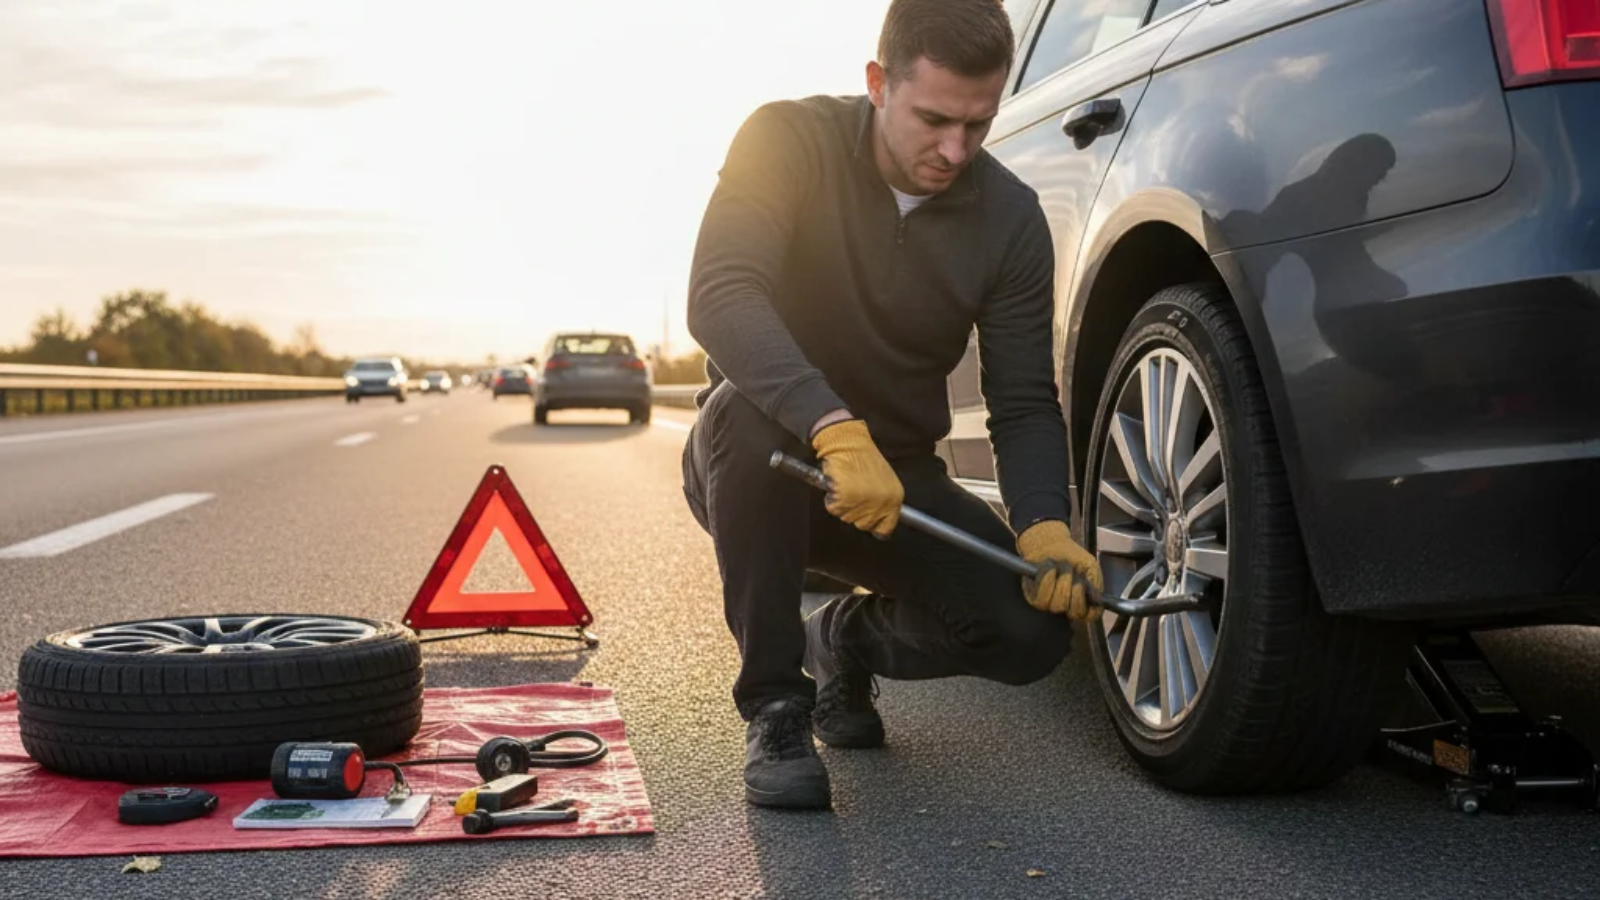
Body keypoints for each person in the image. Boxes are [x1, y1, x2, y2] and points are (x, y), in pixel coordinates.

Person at [681, 0, 1103, 811]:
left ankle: (842, 639)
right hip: (755, 460)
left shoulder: (1010, 219)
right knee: (745, 409)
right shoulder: (786, 140)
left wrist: (1044, 521)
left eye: (978, 125)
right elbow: (721, 293)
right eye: (935, 119)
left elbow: (1020, 397)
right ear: (878, 83)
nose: (955, 150)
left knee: (1030, 634)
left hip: (896, 484)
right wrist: (830, 425)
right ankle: (775, 703)